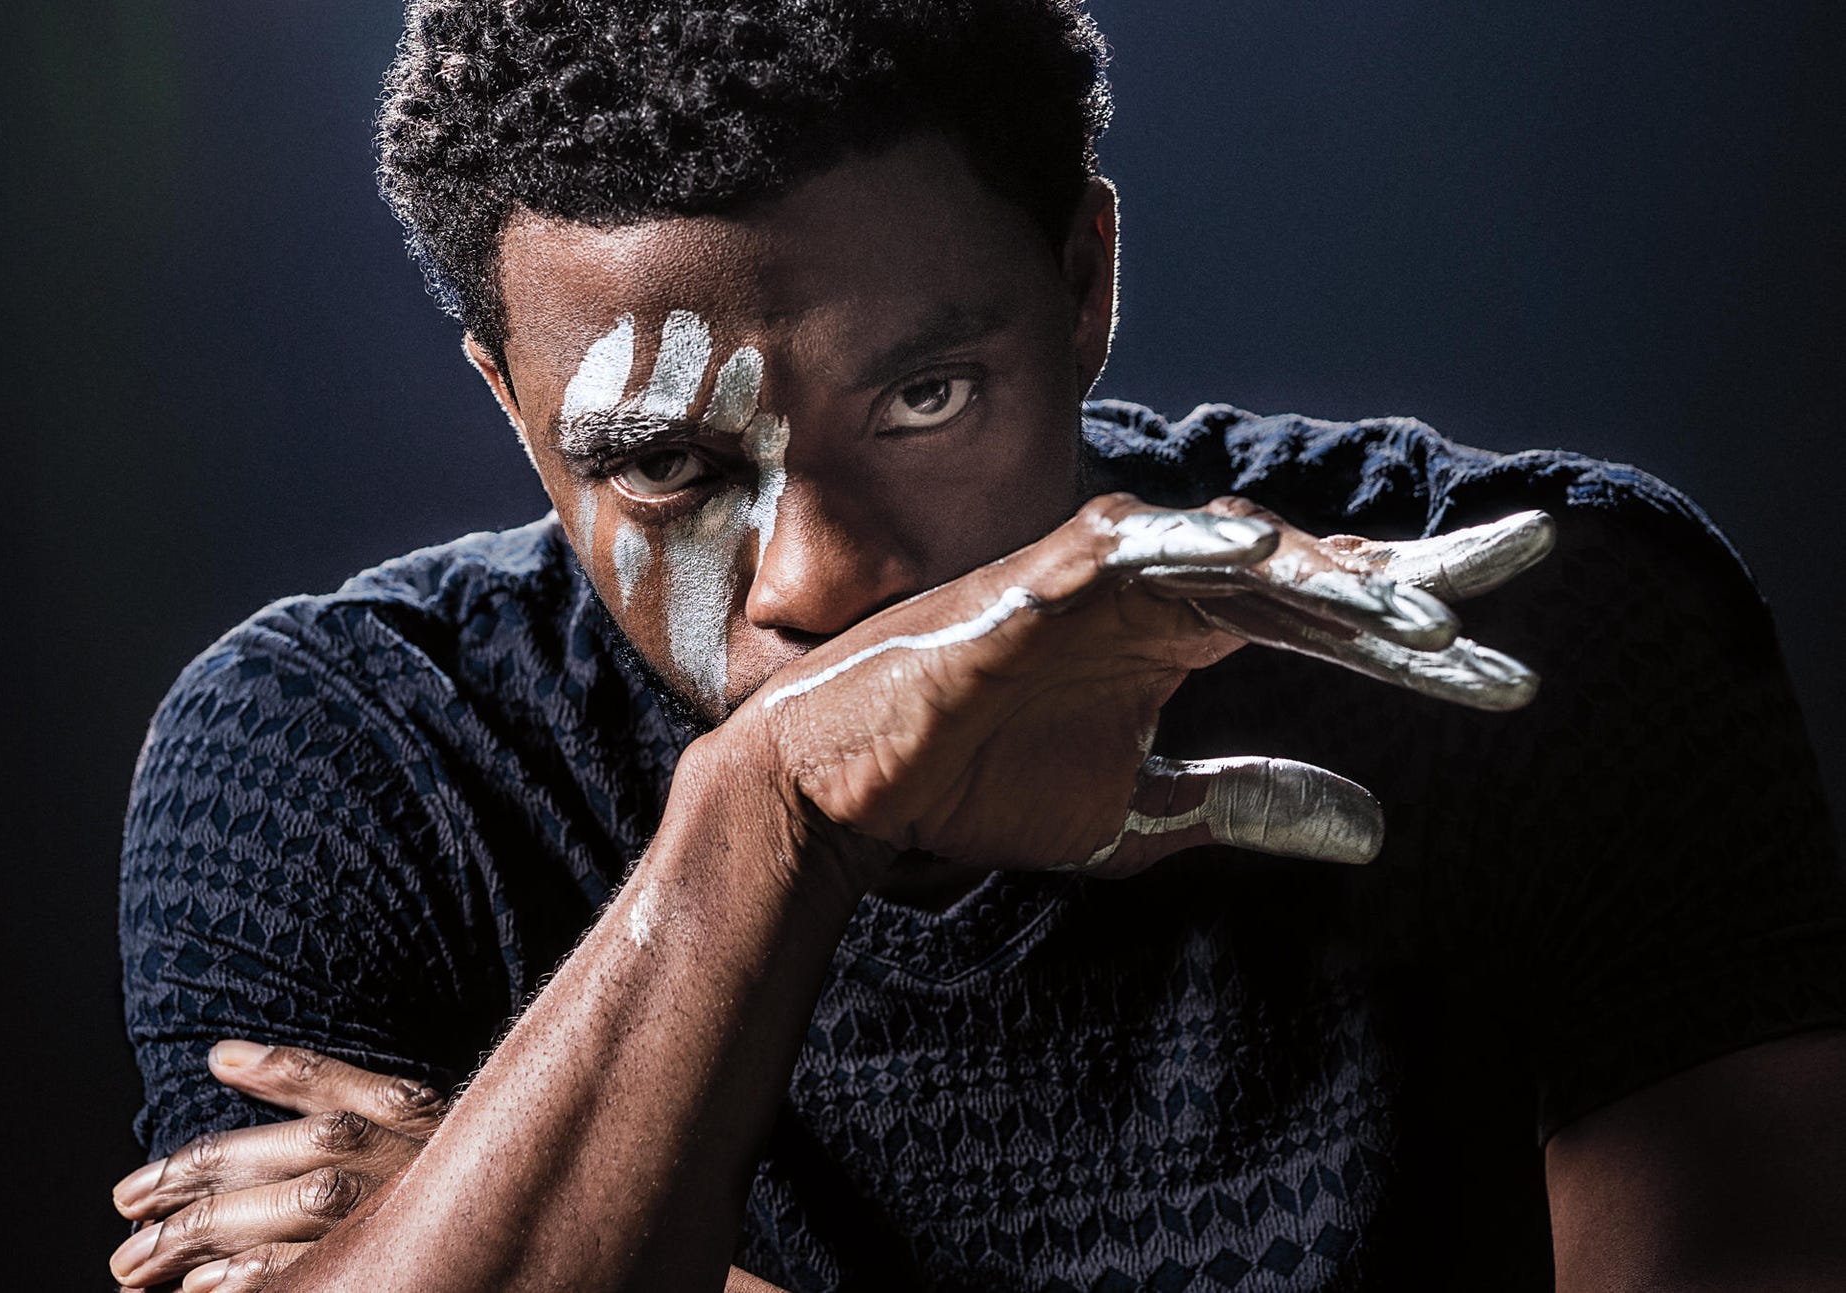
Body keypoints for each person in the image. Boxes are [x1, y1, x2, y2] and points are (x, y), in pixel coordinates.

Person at [110, 2, 1845, 1289]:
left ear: (1085, 279)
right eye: (668, 466)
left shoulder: (1527, 633)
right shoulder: (342, 755)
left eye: (926, 397)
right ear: (511, 403)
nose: (821, 579)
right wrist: (769, 807)